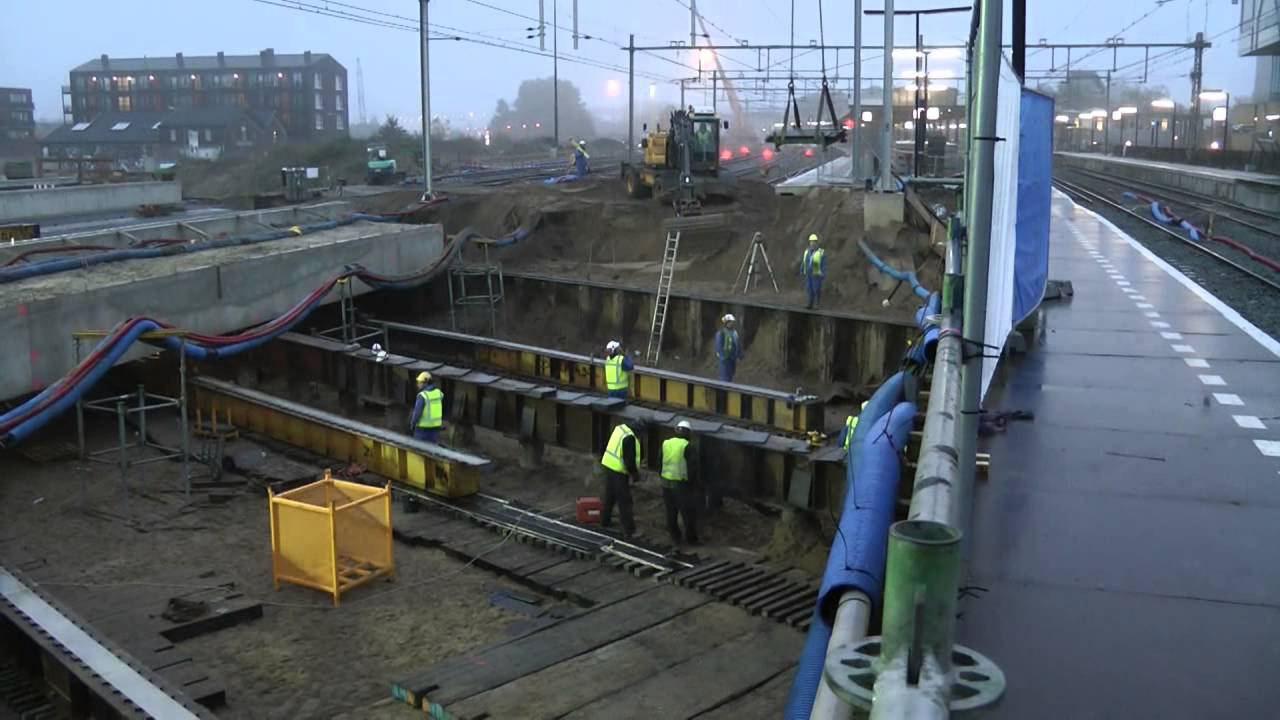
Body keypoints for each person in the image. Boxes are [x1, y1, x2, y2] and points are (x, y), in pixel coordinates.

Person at [600, 418, 644, 538]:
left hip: (608, 466)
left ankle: (605, 521)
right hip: (619, 472)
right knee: (625, 501)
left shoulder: (620, 428)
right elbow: (629, 461)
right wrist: (635, 475)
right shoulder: (629, 438)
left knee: (610, 496)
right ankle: (630, 530)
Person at [660, 421, 700, 545]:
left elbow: (659, 462)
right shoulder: (687, 446)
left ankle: (675, 538)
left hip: (666, 483)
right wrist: (692, 484)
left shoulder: (666, 443)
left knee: (671, 512)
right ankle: (691, 540)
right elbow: (692, 468)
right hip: (681, 485)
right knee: (688, 513)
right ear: (688, 433)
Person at [409, 371, 444, 443]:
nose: (418, 384)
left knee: (419, 451)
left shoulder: (422, 396)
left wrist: (412, 424)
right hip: (435, 428)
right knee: (432, 451)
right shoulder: (438, 393)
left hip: (422, 430)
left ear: (425, 383)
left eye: (419, 382)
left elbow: (417, 413)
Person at [713, 314, 743, 382]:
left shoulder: (734, 333)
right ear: (726, 323)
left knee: (730, 375)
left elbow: (737, 345)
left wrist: (740, 355)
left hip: (732, 358)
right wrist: (722, 356)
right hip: (725, 359)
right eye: (730, 322)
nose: (732, 324)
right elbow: (719, 345)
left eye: (732, 322)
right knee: (724, 376)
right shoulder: (721, 333)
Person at [800, 233, 827, 309]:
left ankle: (817, 304)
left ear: (817, 242)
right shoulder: (807, 252)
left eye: (814, 242)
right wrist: (801, 270)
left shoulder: (821, 252)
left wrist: (823, 273)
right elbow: (804, 262)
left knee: (817, 289)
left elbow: (824, 264)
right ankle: (810, 303)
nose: (812, 243)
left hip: (817, 275)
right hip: (809, 274)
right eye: (811, 242)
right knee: (809, 289)